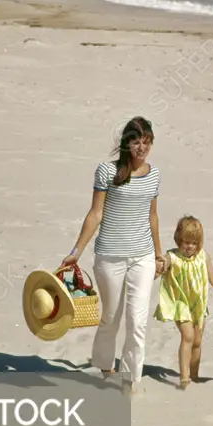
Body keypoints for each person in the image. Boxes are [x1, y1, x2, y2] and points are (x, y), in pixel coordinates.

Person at [61, 116, 163, 393]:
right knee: (111, 317)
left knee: (137, 320)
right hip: (110, 257)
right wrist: (76, 251)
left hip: (142, 256)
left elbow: (152, 217)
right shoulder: (106, 172)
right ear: (127, 144)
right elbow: (95, 214)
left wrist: (158, 254)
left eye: (146, 142)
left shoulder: (154, 175)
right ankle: (106, 365)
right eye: (136, 142)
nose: (141, 148)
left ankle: (131, 380)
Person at [154, 214, 213, 389]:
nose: (189, 247)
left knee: (198, 342)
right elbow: (163, 265)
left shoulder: (203, 257)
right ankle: (184, 377)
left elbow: (212, 276)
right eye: (186, 242)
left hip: (198, 304)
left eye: (194, 243)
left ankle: (195, 375)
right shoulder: (173, 256)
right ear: (179, 240)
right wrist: (160, 267)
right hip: (180, 303)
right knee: (188, 336)